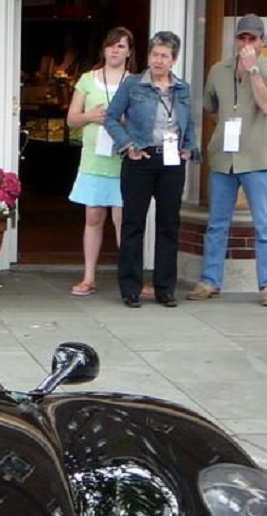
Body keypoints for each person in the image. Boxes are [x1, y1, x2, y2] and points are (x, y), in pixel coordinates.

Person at [188, 13, 267, 306]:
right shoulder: (219, 69)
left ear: (262, 41)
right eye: (242, 38)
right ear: (235, 39)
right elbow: (210, 106)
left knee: (265, 224)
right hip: (223, 157)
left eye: (252, 39)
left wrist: (253, 70)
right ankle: (210, 280)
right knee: (217, 223)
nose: (246, 43)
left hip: (257, 157)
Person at [104, 31, 196, 309]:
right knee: (133, 224)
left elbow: (188, 123)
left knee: (169, 225)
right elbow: (110, 118)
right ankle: (130, 288)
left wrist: (189, 148)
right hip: (140, 159)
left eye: (164, 56)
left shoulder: (183, 88)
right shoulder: (133, 85)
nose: (158, 60)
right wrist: (128, 145)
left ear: (173, 59)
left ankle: (165, 288)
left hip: (171, 162)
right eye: (154, 54)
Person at [65, 27, 136, 297]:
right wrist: (91, 116)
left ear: (129, 51)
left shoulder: (135, 81)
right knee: (93, 217)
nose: (115, 50)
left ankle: (128, 279)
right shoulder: (87, 79)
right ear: (103, 49)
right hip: (94, 158)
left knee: (122, 219)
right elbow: (72, 119)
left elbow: (141, 122)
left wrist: (121, 122)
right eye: (111, 45)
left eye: (121, 46)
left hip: (123, 159)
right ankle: (88, 277)